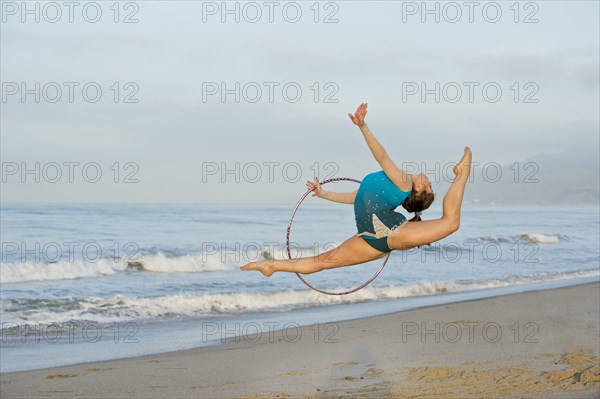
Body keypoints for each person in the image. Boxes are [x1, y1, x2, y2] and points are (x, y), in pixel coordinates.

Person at [240, 103, 472, 277]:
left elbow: (381, 156)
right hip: (370, 239)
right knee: (322, 261)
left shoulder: (403, 181)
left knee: (451, 223)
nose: (427, 179)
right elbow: (356, 198)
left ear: (419, 189)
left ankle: (461, 174)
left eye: (428, 185)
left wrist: (363, 127)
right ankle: (272, 265)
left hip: (390, 233)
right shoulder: (395, 184)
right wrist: (324, 194)